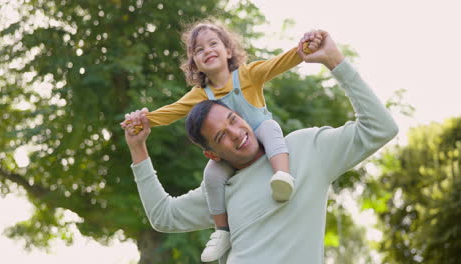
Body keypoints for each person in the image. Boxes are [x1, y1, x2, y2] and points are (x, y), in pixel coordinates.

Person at [123, 30, 398, 263]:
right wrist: (138, 146)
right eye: (220, 137)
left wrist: (334, 60)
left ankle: (282, 177)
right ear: (212, 154)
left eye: (233, 119)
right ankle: (222, 232)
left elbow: (380, 128)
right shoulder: (220, 188)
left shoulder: (306, 148)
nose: (236, 133)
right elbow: (163, 216)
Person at [121, 18, 322, 261]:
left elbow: (279, 63)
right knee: (212, 175)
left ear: (228, 50)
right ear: (194, 63)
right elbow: (171, 112)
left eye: (213, 44)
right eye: (199, 50)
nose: (207, 51)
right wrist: (143, 120)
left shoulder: (248, 75)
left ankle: (282, 176)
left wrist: (305, 49)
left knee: (270, 127)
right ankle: (222, 230)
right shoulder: (199, 96)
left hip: (262, 141)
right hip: (232, 156)